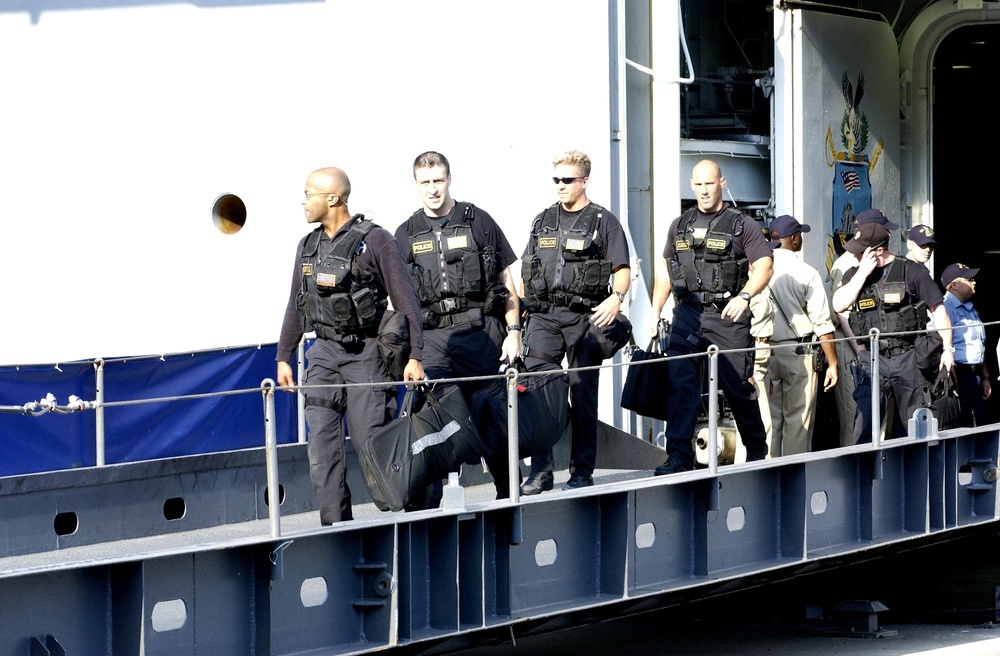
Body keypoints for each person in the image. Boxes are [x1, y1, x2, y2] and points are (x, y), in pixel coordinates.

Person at [276, 167, 426, 525]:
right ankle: (335, 528)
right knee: (321, 449)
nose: (303, 201)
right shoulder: (307, 245)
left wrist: (416, 356)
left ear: (332, 198)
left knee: (373, 446)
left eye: (309, 194)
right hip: (324, 354)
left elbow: (407, 303)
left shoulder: (376, 241)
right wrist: (283, 356)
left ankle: (410, 516)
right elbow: (297, 305)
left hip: (367, 355)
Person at [394, 151, 522, 506]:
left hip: (479, 332)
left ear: (449, 179)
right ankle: (426, 505)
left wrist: (514, 333)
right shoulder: (405, 233)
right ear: (416, 185)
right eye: (425, 183)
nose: (433, 190)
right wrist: (409, 352)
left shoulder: (478, 220)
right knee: (429, 414)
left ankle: (507, 492)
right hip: (432, 338)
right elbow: (398, 298)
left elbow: (507, 280)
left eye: (438, 180)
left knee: (490, 415)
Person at [518, 150, 631, 493]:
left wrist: (616, 298)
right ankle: (541, 472)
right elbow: (527, 267)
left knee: (583, 397)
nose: (561, 186)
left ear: (584, 181)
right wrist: (522, 310)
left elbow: (622, 270)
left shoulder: (602, 221)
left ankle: (581, 472)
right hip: (544, 317)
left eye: (567, 180)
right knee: (537, 395)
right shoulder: (543, 220)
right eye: (556, 180)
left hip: (584, 318)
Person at [649, 159, 772, 474]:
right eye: (698, 184)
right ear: (692, 186)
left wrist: (745, 297)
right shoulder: (679, 225)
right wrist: (655, 311)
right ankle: (679, 455)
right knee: (680, 385)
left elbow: (765, 266)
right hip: (688, 313)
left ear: (722, 182)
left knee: (738, 387)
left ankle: (756, 449)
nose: (704, 190)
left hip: (727, 314)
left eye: (709, 183)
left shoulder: (741, 224)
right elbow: (666, 272)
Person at [832, 222, 955, 442]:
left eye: (860, 252)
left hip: (908, 356)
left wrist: (948, 349)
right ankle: (865, 475)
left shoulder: (912, 271)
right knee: (864, 425)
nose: (855, 256)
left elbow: (939, 310)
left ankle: (916, 473)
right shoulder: (854, 274)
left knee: (914, 425)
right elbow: (839, 305)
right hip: (873, 359)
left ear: (877, 250)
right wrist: (862, 274)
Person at [763, 215, 838, 456]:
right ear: (794, 239)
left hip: (764, 352)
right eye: (800, 235)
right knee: (798, 421)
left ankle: (763, 477)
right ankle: (793, 481)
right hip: (799, 353)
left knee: (769, 421)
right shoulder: (806, 272)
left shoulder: (757, 270)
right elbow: (823, 324)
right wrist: (833, 363)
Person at [826, 208, 899, 447]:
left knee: (881, 416)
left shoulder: (879, 260)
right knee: (856, 417)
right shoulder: (848, 263)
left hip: (878, 349)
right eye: (884, 228)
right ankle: (853, 473)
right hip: (853, 346)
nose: (888, 233)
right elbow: (843, 314)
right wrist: (858, 349)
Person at [941, 263, 991, 426]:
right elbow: (940, 346)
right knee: (962, 428)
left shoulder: (971, 310)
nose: (974, 282)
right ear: (954, 285)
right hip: (958, 376)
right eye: (969, 279)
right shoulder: (944, 310)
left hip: (976, 376)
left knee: (979, 426)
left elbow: (978, 346)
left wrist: (985, 377)